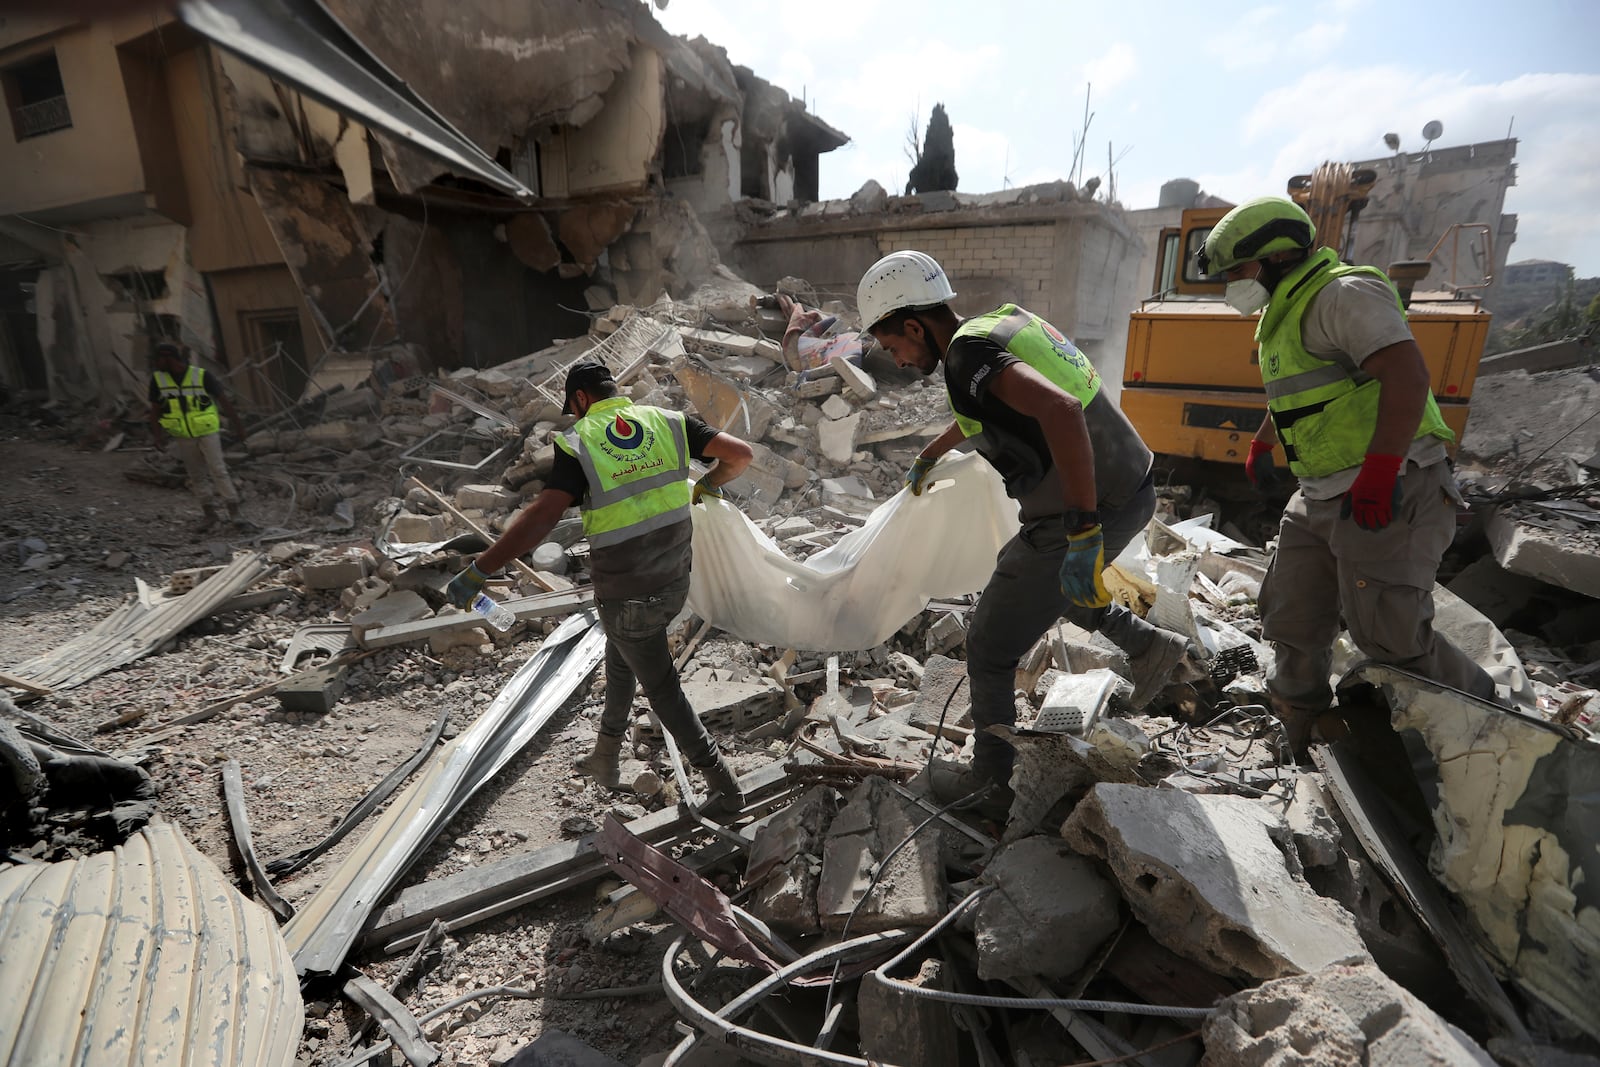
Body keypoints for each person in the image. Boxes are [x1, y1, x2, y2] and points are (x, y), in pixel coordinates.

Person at [856, 251, 1190, 809]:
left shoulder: (967, 356)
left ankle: (992, 782)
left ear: (914, 325)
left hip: (1088, 507)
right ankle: (1151, 647)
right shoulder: (1000, 324)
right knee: (1044, 589)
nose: (900, 360)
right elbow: (985, 414)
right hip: (1130, 484)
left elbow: (1061, 410)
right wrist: (931, 454)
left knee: (988, 643)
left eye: (894, 347)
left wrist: (1083, 532)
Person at [1198, 196, 1497, 754]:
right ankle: (1301, 723)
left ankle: (1487, 723)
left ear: (1277, 256)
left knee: (1391, 634)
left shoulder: (1341, 293)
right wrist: (1265, 441)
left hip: (1387, 483)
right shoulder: (1284, 311)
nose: (1230, 285)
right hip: (1320, 491)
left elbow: (1406, 376)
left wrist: (1381, 471)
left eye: (1236, 271)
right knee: (1291, 611)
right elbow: (1306, 391)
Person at [447, 360, 754, 817]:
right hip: (673, 582)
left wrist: (481, 568)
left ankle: (725, 788)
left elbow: (544, 515)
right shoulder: (667, 422)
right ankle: (606, 757)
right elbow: (740, 455)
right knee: (623, 649)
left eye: (572, 408)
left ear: (582, 399)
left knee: (661, 687)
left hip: (627, 591)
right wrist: (708, 483)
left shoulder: (580, 442)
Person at [147, 340, 246, 528]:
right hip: (183, 434)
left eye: (158, 360)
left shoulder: (200, 376)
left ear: (168, 358)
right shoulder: (158, 380)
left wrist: (239, 427)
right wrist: (157, 436)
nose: (155, 364)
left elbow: (225, 402)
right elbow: (155, 410)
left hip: (207, 430)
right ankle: (209, 514)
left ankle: (235, 512)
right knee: (196, 475)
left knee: (218, 470)